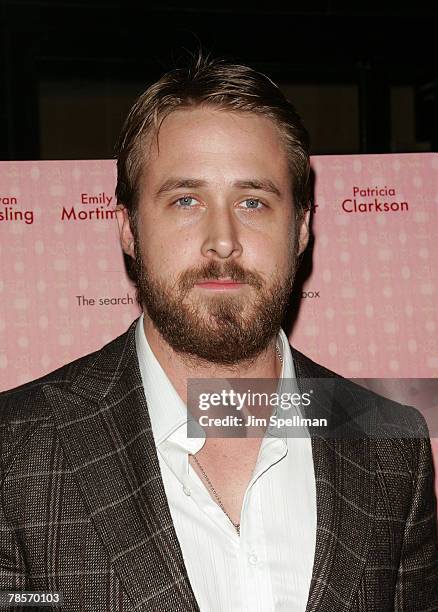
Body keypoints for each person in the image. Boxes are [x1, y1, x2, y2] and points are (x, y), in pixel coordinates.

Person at [0, 52, 437, 612]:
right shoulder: (18, 452)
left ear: (301, 228)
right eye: (186, 200)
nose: (223, 239)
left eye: (253, 201)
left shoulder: (388, 446)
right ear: (128, 228)